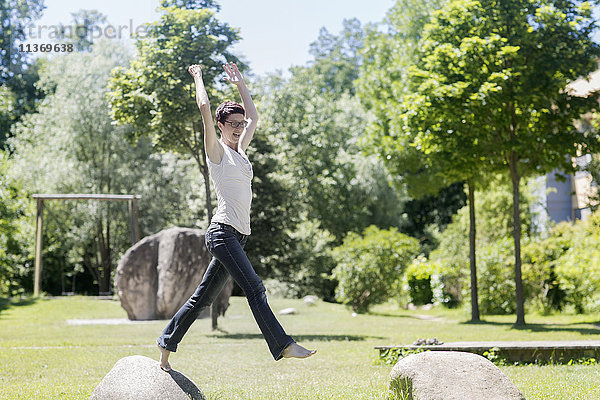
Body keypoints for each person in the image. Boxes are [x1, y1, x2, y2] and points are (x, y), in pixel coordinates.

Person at [157, 61, 316, 372]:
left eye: (241, 123)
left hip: (237, 238)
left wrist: (240, 83)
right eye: (233, 123)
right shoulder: (216, 152)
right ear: (221, 125)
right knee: (255, 288)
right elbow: (204, 106)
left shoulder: (242, 150)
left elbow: (255, 115)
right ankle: (283, 345)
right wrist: (198, 77)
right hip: (222, 233)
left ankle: (165, 346)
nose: (240, 127)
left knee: (201, 299)